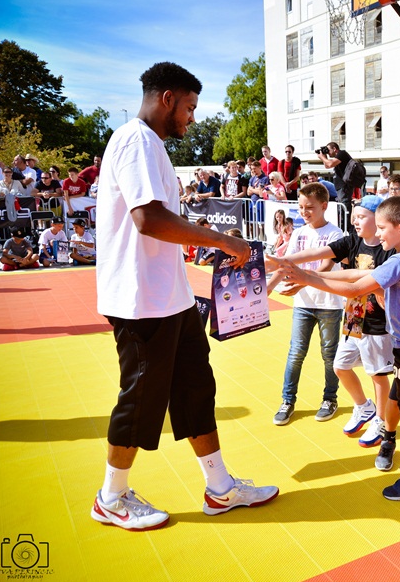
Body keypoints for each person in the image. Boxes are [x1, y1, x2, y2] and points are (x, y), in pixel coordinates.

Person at [91, 62, 278, 531]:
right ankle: (111, 497)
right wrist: (221, 241)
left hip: (168, 297)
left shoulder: (148, 144)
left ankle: (220, 489)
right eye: (190, 108)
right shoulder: (137, 140)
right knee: (140, 399)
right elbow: (148, 220)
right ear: (168, 98)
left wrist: (207, 233)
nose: (193, 118)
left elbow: (161, 222)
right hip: (141, 300)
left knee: (196, 389)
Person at [279, 196, 400, 501]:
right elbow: (355, 275)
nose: (378, 234)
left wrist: (308, 279)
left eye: (382, 228)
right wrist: (308, 277)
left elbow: (356, 287)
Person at [268, 195, 393, 446]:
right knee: (340, 365)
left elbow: (355, 278)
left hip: (378, 321)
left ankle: (381, 419)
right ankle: (364, 407)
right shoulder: (352, 241)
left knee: (377, 375)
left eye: (361, 217)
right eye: (354, 216)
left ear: (379, 218)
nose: (355, 221)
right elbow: (315, 253)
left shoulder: (388, 248)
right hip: (354, 315)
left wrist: (307, 276)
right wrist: (276, 263)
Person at [267, 182, 344, 426]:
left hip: (329, 304)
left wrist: (300, 284)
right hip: (302, 305)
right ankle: (287, 400)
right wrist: (266, 290)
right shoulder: (299, 233)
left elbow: (325, 266)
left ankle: (330, 398)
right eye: (300, 207)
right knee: (295, 353)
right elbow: (286, 263)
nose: (304, 212)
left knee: (329, 355)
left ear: (324, 206)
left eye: (309, 207)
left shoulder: (335, 234)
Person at [317, 142, 355, 232]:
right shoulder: (336, 158)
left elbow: (330, 164)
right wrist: (324, 157)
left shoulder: (342, 153)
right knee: (341, 209)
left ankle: (346, 229)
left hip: (344, 187)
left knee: (344, 208)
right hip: (340, 187)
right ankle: (343, 227)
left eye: (328, 150)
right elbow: (327, 166)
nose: (328, 153)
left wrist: (322, 157)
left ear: (334, 149)